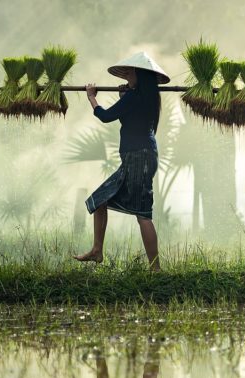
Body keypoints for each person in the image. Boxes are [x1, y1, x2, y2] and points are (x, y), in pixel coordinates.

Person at [74, 52, 170, 272]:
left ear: (140, 75)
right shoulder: (147, 98)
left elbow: (106, 116)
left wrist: (91, 97)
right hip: (141, 156)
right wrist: (123, 97)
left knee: (143, 214)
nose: (126, 76)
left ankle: (155, 270)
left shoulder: (134, 97)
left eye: (129, 72)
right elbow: (129, 117)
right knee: (100, 201)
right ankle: (97, 250)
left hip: (138, 158)